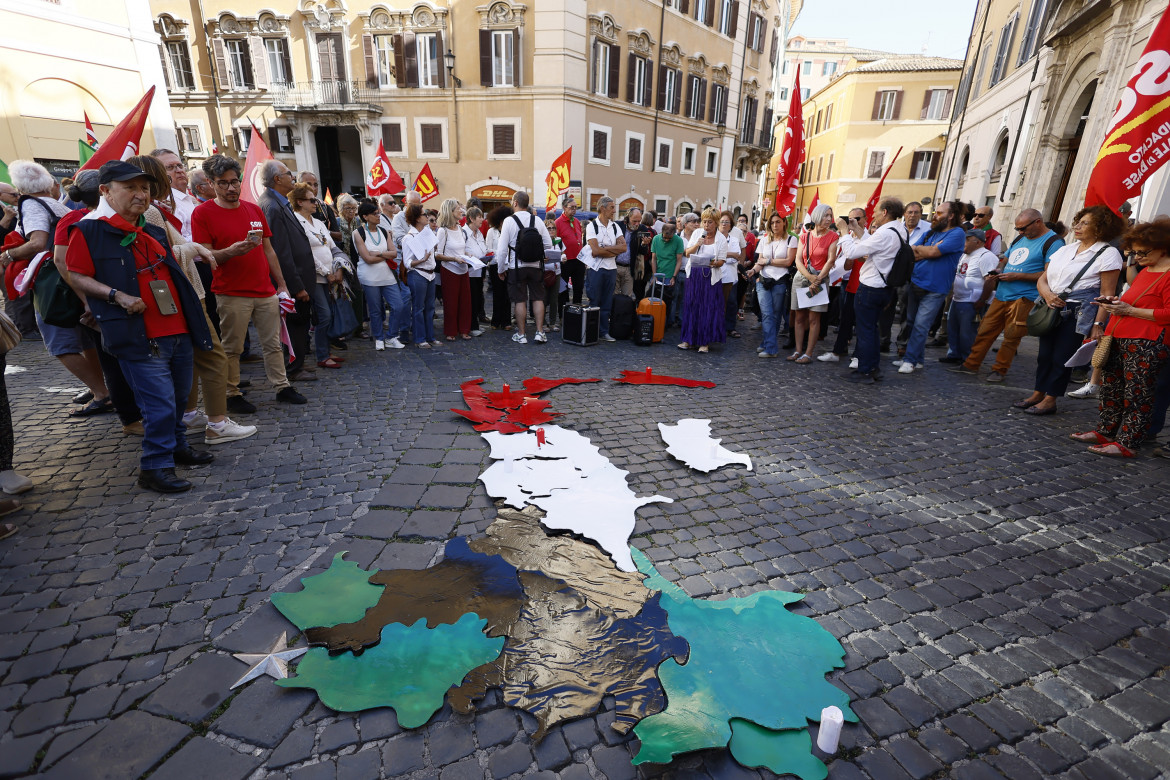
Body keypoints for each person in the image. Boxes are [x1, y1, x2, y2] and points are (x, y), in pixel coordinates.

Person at [65, 161, 215, 492]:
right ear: (105, 191)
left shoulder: (153, 230)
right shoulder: (89, 229)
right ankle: (154, 467)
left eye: (144, 188)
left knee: (177, 399)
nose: (140, 194)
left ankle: (176, 448)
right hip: (138, 334)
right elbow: (75, 274)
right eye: (130, 187)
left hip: (177, 328)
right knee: (158, 404)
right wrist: (114, 295)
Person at [122, 155, 258, 447]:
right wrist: (198, 248)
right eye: (168, 169)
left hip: (177, 293)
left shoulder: (156, 210)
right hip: (182, 293)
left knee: (192, 359)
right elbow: (167, 256)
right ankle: (217, 423)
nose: (177, 173)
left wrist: (192, 247)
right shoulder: (151, 213)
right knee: (213, 356)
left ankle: (190, 414)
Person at [191, 154, 305, 411]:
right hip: (231, 292)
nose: (231, 188)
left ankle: (282, 386)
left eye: (235, 181)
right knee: (232, 347)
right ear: (211, 183)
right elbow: (205, 255)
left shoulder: (253, 209)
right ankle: (232, 394)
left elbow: (269, 250)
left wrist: (282, 285)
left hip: (264, 290)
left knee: (273, 344)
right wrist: (232, 251)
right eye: (223, 183)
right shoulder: (202, 213)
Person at [1, 160, 112, 415]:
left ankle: (101, 392)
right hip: (73, 279)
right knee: (86, 339)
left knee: (59, 342)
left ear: (21, 186)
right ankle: (101, 387)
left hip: (54, 283)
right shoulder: (55, 204)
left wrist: (9, 256)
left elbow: (38, 243)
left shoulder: (30, 204)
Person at [1071, 219, 1170, 457]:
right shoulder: (1147, 270)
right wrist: (1117, 304)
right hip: (1120, 334)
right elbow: (1137, 300)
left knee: (1137, 393)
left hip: (1147, 341)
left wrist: (1130, 311)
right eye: (1134, 252)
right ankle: (1106, 430)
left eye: (1142, 252)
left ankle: (1128, 442)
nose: (1137, 257)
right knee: (1111, 389)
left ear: (1163, 247)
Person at [1013, 206, 1124, 416]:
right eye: (1078, 221)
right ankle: (1038, 393)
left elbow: (1107, 293)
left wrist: (1098, 325)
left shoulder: (1108, 254)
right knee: (1044, 355)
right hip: (1051, 305)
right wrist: (1047, 294)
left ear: (1101, 228)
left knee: (1061, 357)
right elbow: (1043, 278)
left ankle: (1050, 399)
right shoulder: (1066, 249)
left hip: (1078, 311)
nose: (1077, 226)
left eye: (1085, 223)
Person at [951, 208, 1065, 382]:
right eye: (1018, 229)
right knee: (985, 330)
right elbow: (1006, 259)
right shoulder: (1021, 238)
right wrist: (997, 270)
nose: (1020, 232)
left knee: (1012, 336)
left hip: (1024, 297)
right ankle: (971, 364)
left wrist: (1018, 276)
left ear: (1038, 222)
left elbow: (1049, 274)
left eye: (1023, 228)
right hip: (1003, 293)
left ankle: (1000, 370)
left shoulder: (1054, 242)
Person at [257, 160, 315, 382]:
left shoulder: (279, 203)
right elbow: (280, 251)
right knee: (294, 325)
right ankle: (293, 367)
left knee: (299, 325)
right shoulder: (271, 205)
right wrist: (296, 286)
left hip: (298, 276)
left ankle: (298, 362)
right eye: (288, 173)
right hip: (292, 281)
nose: (293, 177)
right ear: (277, 179)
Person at [839, 198, 908, 384]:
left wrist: (845, 233)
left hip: (871, 287)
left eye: (877, 211)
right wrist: (857, 229)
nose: (874, 215)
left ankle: (865, 371)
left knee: (865, 331)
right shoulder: (899, 229)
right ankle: (874, 368)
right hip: (885, 287)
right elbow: (873, 244)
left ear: (885, 212)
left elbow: (853, 253)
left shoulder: (885, 233)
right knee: (872, 330)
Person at [894, 201, 966, 375]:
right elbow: (911, 252)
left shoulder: (957, 233)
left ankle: (910, 360)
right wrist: (925, 249)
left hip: (936, 288)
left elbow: (933, 253)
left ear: (950, 216)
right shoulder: (931, 233)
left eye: (940, 213)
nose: (935, 215)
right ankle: (917, 360)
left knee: (921, 325)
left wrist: (925, 250)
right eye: (935, 212)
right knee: (911, 322)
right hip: (916, 282)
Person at [290, 181, 349, 370]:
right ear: (300, 202)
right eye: (311, 200)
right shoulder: (296, 223)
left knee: (329, 314)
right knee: (323, 315)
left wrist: (338, 268)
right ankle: (322, 355)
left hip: (330, 276)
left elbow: (331, 247)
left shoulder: (319, 223)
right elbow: (304, 254)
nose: (316, 203)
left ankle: (326, 351)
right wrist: (325, 272)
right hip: (313, 278)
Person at [495, 191, 553, 345]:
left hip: (517, 266)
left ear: (515, 203)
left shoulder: (509, 221)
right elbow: (548, 244)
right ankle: (540, 332)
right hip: (536, 266)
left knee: (520, 300)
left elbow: (501, 250)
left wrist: (501, 269)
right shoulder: (537, 220)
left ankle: (521, 334)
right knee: (538, 298)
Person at [352, 200, 406, 350]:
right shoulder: (358, 233)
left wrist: (379, 253)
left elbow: (394, 253)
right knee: (375, 310)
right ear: (365, 216)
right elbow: (367, 259)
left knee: (398, 305)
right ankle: (379, 338)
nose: (379, 216)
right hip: (370, 277)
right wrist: (385, 255)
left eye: (378, 213)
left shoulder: (383, 231)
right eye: (375, 214)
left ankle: (391, 336)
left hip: (387, 275)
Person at [942, 229, 1000, 366]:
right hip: (957, 298)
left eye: (967, 239)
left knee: (967, 332)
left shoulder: (986, 256)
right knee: (953, 328)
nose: (964, 242)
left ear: (978, 242)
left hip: (972, 300)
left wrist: (982, 300)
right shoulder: (965, 255)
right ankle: (954, 354)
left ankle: (967, 357)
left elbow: (990, 280)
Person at [879, 201, 929, 352]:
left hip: (911, 276)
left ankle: (903, 343)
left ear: (921, 214)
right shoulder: (896, 228)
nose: (912, 215)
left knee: (906, 311)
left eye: (916, 212)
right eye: (910, 212)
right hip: (891, 274)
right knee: (886, 307)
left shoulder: (927, 230)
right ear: (904, 214)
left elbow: (924, 253)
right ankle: (883, 341)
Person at [789, 204, 836, 363]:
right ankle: (798, 350)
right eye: (825, 215)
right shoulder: (804, 236)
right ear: (817, 216)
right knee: (799, 317)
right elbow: (797, 260)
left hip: (820, 280)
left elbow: (831, 260)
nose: (829, 219)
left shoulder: (833, 236)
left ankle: (808, 353)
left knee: (814, 318)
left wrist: (817, 279)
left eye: (830, 215)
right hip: (802, 279)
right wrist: (810, 277)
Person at [820, 208, 869, 364]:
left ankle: (859, 355)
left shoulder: (869, 236)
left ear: (865, 220)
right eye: (850, 219)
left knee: (862, 323)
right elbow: (848, 264)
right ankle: (838, 351)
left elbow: (866, 257)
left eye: (857, 218)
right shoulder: (850, 237)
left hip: (866, 284)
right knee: (845, 320)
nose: (853, 222)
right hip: (850, 283)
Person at [678, 208, 727, 354]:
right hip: (694, 275)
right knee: (692, 307)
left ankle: (704, 342)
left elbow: (722, 261)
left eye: (709, 222)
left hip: (710, 277)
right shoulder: (697, 234)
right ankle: (688, 339)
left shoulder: (721, 239)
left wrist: (711, 263)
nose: (706, 225)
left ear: (716, 223)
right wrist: (697, 245)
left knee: (707, 309)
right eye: (704, 221)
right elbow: (687, 253)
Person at [748, 213, 796, 358]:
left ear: (784, 223)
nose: (775, 225)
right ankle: (771, 349)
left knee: (775, 316)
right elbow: (759, 262)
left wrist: (767, 261)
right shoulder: (764, 240)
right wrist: (753, 270)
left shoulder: (791, 240)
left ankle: (766, 343)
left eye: (778, 222)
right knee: (767, 314)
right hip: (764, 280)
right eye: (772, 222)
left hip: (780, 281)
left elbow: (788, 262)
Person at [585, 196, 627, 342]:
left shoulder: (615, 226)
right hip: (596, 269)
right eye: (611, 207)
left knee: (607, 302)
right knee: (595, 300)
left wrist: (607, 248)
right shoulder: (592, 226)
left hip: (611, 268)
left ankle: (603, 331)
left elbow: (624, 247)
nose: (614, 211)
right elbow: (595, 251)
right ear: (602, 208)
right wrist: (615, 249)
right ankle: (591, 330)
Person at [402, 203, 441, 348]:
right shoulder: (409, 237)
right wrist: (422, 260)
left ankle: (430, 337)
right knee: (418, 308)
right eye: (424, 215)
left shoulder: (427, 232)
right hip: (418, 274)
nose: (427, 217)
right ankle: (420, 339)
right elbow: (407, 263)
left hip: (430, 274)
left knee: (430, 307)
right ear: (417, 218)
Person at [435, 198, 474, 340]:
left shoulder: (461, 230)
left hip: (463, 269)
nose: (461, 210)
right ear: (450, 212)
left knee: (465, 302)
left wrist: (468, 255)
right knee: (451, 302)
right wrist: (454, 259)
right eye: (458, 208)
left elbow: (463, 249)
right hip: (450, 270)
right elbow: (437, 254)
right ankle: (450, 331)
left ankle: (464, 330)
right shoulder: (442, 231)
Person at [650, 219, 686, 328]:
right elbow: (653, 259)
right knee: (653, 298)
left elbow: (679, 260)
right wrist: (654, 275)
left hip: (670, 274)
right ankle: (655, 321)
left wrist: (674, 276)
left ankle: (666, 324)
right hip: (658, 273)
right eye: (664, 237)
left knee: (668, 301)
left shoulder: (678, 240)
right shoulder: (656, 239)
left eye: (669, 238)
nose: (666, 240)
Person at [486, 205, 513, 331]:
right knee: (497, 293)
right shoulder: (491, 232)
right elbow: (488, 249)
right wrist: (499, 253)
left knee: (507, 294)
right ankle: (496, 320)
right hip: (495, 265)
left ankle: (506, 321)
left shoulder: (510, 231)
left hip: (509, 265)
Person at [718, 212, 744, 338]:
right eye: (722, 221)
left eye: (726, 222)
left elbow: (736, 257)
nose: (724, 224)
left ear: (731, 225)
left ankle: (730, 327)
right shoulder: (713, 239)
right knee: (717, 302)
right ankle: (716, 326)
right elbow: (713, 255)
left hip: (730, 276)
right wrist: (729, 254)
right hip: (716, 276)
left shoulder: (734, 240)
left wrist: (721, 256)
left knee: (732, 302)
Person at [298, 171, 342, 244]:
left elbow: (338, 236)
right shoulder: (289, 209)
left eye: (315, 185)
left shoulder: (324, 207)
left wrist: (324, 231)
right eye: (308, 184)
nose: (313, 188)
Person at [464, 207, 488, 335]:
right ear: (471, 219)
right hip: (469, 271)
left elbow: (483, 248)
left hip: (479, 270)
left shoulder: (479, 233)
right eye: (479, 217)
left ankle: (475, 325)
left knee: (477, 298)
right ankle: (471, 327)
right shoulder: (464, 232)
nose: (482, 220)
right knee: (471, 299)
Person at [556, 197, 585, 304]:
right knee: (563, 289)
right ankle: (562, 313)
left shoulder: (576, 221)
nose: (574, 210)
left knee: (579, 287)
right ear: (564, 208)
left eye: (575, 207)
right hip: (565, 261)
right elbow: (555, 241)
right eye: (571, 207)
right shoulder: (558, 222)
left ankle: (577, 310)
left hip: (578, 260)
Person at [613, 207, 640, 298]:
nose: (637, 224)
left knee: (627, 297)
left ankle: (624, 312)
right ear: (627, 218)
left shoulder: (641, 229)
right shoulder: (617, 225)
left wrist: (644, 244)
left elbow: (643, 251)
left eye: (639, 221)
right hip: (615, 265)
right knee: (613, 294)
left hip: (629, 268)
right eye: (634, 221)